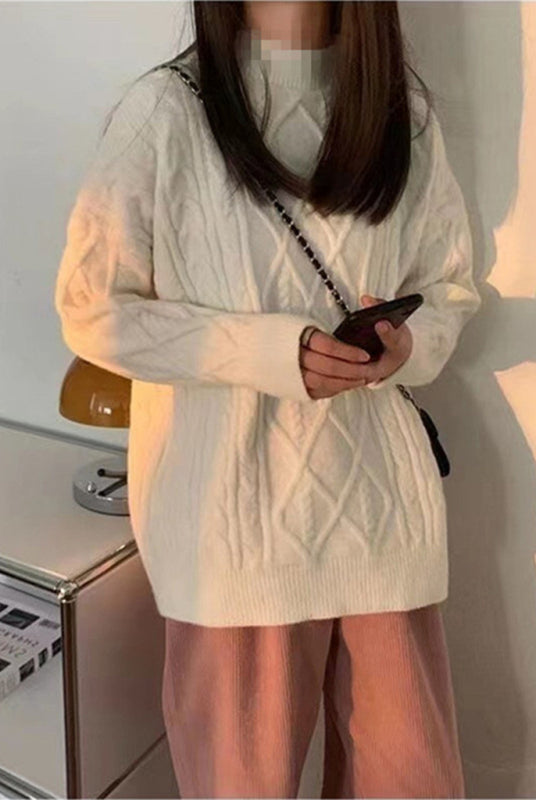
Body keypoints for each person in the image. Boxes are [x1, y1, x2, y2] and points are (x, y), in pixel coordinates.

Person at [54, 1, 481, 797]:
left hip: (383, 522)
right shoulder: (166, 113)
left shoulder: (402, 117)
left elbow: (448, 285)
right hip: (234, 535)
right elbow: (92, 308)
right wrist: (264, 352)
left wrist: (409, 345)